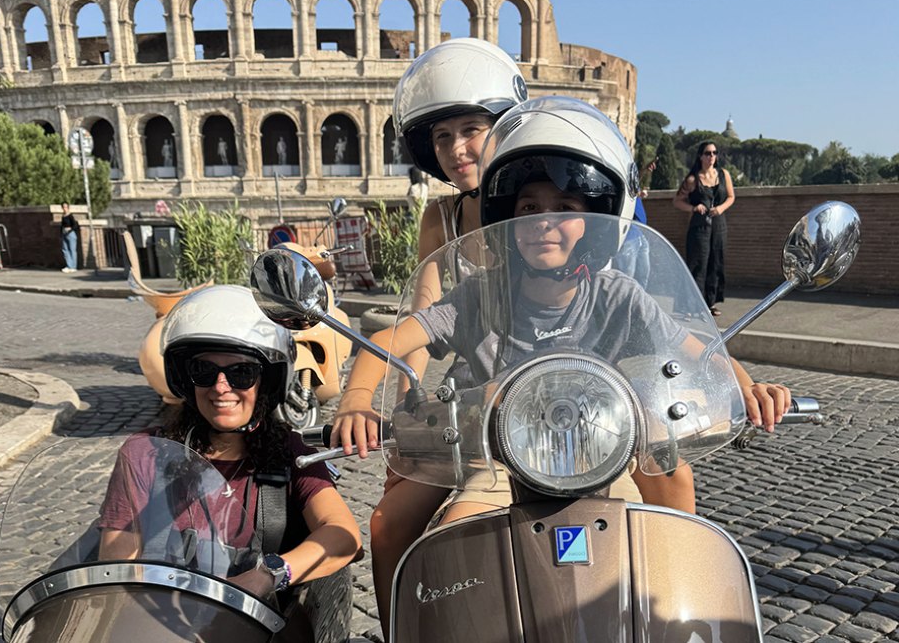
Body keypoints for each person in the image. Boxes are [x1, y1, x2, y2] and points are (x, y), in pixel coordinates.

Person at [333, 99, 790, 634]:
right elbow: (387, 340)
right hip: (494, 458)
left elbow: (702, 351)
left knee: (672, 477)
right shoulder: (481, 295)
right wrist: (356, 401)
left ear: (594, 222)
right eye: (528, 208)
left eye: (565, 206)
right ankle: (404, 631)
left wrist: (748, 388)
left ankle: (673, 614)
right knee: (393, 525)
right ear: (507, 219)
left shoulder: (620, 296)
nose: (543, 222)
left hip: (603, 451)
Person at [357, 37, 528, 640]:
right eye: (442, 136)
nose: (457, 148)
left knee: (670, 481)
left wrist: (732, 382)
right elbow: (422, 316)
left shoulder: (552, 205)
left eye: (471, 128)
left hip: (561, 408)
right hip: (472, 418)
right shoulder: (443, 217)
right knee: (387, 524)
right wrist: (378, 393)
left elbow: (644, 308)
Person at [98, 285, 361, 598]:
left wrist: (268, 575)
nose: (221, 387)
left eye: (241, 373)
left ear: (266, 381)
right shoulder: (145, 454)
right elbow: (116, 567)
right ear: (184, 378)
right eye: (203, 371)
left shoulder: (290, 453)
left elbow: (343, 535)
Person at [673, 141, 735, 316]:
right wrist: (693, 208)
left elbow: (731, 197)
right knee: (698, 264)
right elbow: (677, 201)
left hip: (719, 225)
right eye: (708, 153)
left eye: (715, 153)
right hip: (699, 226)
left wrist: (721, 208)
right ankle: (692, 306)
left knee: (716, 262)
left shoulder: (724, 175)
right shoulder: (693, 179)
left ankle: (710, 303)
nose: (712, 156)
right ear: (701, 156)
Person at [59, 202, 80, 273]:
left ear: (68, 207)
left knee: (72, 250)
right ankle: (69, 265)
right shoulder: (63, 216)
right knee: (65, 249)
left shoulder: (70, 216)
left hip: (71, 234)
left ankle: (73, 266)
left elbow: (75, 225)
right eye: (63, 207)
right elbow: (62, 225)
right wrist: (61, 234)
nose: (64, 208)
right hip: (64, 233)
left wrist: (69, 230)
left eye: (66, 207)